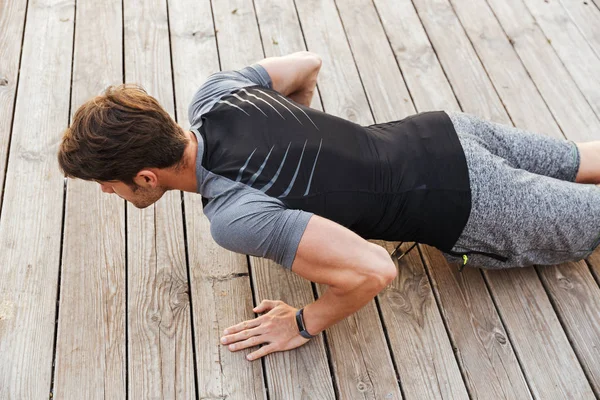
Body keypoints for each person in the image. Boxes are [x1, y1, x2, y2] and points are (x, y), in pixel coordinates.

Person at [57, 51, 600, 361]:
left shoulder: (234, 216)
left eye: (108, 184)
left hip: (472, 202)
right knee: (578, 158)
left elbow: (374, 270)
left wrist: (304, 321)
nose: (107, 193)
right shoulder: (216, 93)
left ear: (145, 176)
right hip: (441, 131)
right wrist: (316, 155)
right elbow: (306, 65)